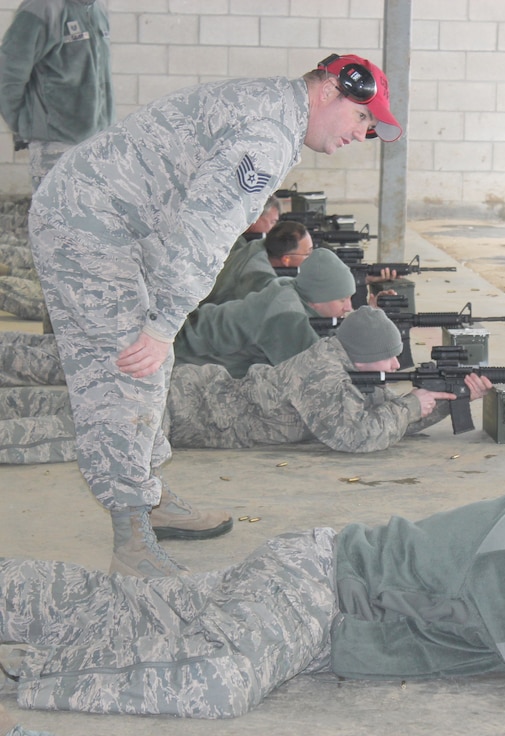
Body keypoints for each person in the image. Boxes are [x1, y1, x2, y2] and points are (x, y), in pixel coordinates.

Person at [0, 440, 505, 724]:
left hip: (320, 581)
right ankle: (19, 675)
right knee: (213, 682)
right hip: (320, 590)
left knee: (145, 610)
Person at [26, 53, 403, 577]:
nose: (363, 134)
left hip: (117, 223)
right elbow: (204, 234)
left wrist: (164, 322)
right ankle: (131, 535)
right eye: (363, 117)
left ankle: (148, 496)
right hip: (88, 225)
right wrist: (162, 324)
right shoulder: (269, 134)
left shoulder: (277, 114)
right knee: (126, 370)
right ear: (329, 92)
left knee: (149, 367)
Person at [0, 306, 492, 461]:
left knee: (42, 402)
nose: (394, 363)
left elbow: (377, 414)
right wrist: (411, 405)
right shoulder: (320, 374)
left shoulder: (341, 368)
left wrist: (446, 401)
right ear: (364, 355)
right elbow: (358, 434)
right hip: (163, 410)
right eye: (389, 356)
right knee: (36, 429)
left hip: (176, 395)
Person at [0, 0, 115, 327]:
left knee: (88, 249)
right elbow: (7, 72)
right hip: (55, 147)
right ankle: (60, 339)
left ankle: (77, 335)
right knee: (59, 249)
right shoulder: (42, 9)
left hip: (95, 147)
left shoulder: (97, 8)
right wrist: (27, 125)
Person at [174, 246, 355, 377]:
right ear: (317, 299)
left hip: (187, 345)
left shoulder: (292, 289)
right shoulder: (285, 314)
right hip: (181, 360)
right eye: (342, 299)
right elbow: (315, 371)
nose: (348, 307)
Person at [198, 219, 313, 307]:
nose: (311, 258)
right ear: (286, 260)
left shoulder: (259, 246)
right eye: (307, 254)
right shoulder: (257, 277)